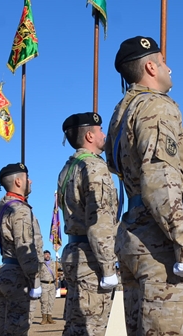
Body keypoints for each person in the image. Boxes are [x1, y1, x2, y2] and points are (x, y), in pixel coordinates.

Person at [108, 36, 183, 336]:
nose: (169, 68)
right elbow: (159, 177)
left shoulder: (122, 111)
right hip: (160, 241)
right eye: (163, 62)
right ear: (150, 66)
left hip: (136, 234)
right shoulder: (156, 107)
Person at [58, 112, 119, 336]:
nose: (104, 135)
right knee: (91, 327)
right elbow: (100, 221)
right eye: (100, 130)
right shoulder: (94, 167)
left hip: (75, 251)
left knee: (75, 325)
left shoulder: (69, 168)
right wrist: (108, 267)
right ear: (90, 136)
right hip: (92, 256)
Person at [0, 162, 43, 336]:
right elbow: (25, 247)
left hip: (6, 270)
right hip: (18, 275)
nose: (31, 182)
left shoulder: (2, 206)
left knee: (3, 328)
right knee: (17, 330)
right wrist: (35, 279)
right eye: (27, 178)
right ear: (18, 182)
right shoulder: (20, 210)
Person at [39, 250, 57, 325]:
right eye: (45, 254)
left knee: (51, 302)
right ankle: (44, 318)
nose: (47, 256)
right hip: (44, 284)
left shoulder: (54, 263)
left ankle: (50, 317)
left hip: (52, 284)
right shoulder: (40, 264)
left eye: (48, 254)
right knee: (44, 301)